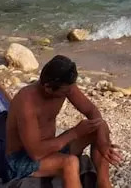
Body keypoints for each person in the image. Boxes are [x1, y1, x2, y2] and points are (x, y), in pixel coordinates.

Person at [6, 54, 122, 188]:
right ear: (48, 87)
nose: (70, 92)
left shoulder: (65, 87)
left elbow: (92, 112)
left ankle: (103, 184)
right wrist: (75, 133)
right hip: (22, 160)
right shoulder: (27, 103)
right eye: (65, 91)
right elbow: (35, 153)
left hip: (53, 148)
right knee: (70, 163)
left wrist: (103, 143)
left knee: (99, 127)